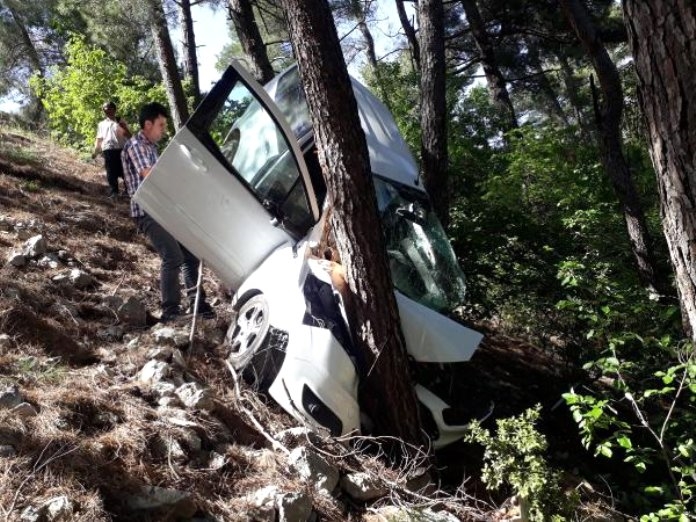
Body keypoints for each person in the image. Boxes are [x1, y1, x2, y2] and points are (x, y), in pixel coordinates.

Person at [121, 102, 214, 322]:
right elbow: (149, 174)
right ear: (148, 124)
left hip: (162, 210)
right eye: (161, 125)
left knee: (189, 254)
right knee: (172, 256)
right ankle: (170, 311)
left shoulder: (151, 147)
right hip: (146, 211)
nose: (163, 130)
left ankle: (197, 304)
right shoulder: (136, 145)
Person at [93, 101, 132, 198]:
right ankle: (114, 192)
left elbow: (129, 136)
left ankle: (128, 191)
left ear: (114, 109)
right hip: (108, 150)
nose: (106, 111)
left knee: (124, 171)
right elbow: (99, 139)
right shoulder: (101, 124)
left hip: (121, 149)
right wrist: (95, 151)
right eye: (104, 109)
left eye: (108, 108)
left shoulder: (120, 121)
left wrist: (124, 128)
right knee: (111, 172)